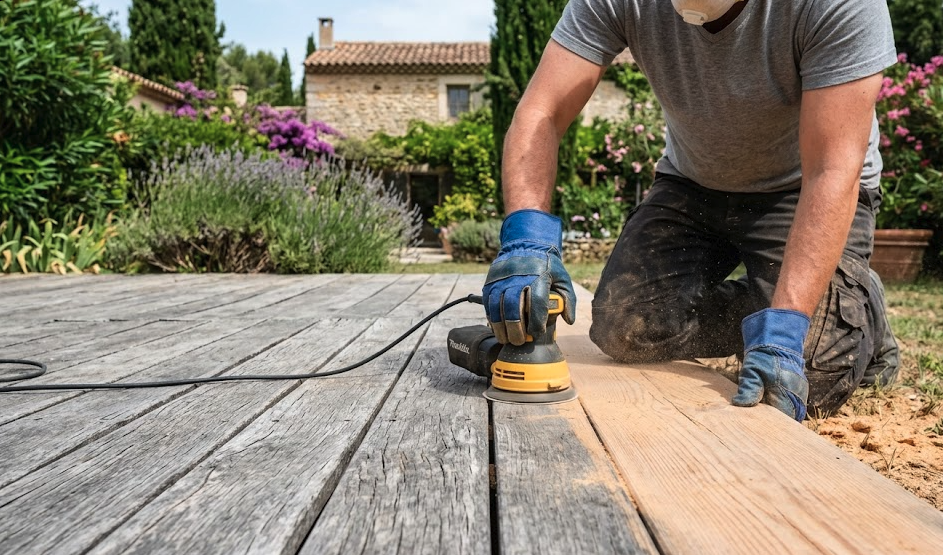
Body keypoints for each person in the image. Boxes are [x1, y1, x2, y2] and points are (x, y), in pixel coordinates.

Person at [482, 0, 901, 421]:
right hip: (693, 183)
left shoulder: (840, 5)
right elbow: (542, 111)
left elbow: (832, 170)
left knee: (810, 369)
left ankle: (856, 309)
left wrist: (789, 323)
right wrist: (527, 235)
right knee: (624, 327)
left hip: (804, 188)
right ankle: (781, 300)